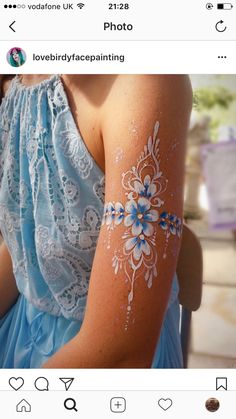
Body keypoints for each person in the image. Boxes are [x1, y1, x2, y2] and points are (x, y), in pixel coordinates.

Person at [0, 74, 192, 368]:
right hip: (20, 333)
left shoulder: (145, 80)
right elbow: (25, 243)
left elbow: (121, 354)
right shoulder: (17, 83)